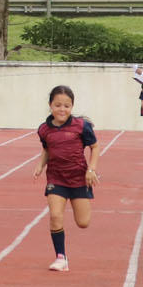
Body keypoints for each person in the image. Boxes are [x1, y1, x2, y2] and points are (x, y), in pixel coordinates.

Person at [34, 85, 100, 273]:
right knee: (55, 216)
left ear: (72, 107)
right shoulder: (44, 129)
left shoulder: (81, 126)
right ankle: (61, 257)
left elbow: (95, 147)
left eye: (66, 106)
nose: (62, 109)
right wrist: (40, 165)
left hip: (79, 177)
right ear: (50, 106)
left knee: (83, 223)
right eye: (58, 105)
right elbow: (47, 149)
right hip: (56, 177)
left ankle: (62, 255)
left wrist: (92, 169)